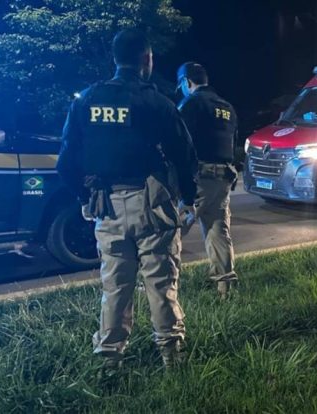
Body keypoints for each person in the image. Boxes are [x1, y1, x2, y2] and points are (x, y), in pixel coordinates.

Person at [57, 29, 198, 375]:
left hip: (107, 207)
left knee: (115, 286)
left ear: (114, 60)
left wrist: (84, 195)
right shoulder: (157, 102)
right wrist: (189, 200)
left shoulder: (86, 100)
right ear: (147, 60)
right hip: (152, 204)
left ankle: (109, 362)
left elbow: (64, 162)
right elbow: (186, 156)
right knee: (162, 285)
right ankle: (172, 360)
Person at [176, 62, 239, 298]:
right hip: (223, 177)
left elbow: (180, 143)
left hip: (198, 177)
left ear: (186, 82)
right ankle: (225, 287)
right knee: (218, 229)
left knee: (172, 229)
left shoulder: (190, 104)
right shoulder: (227, 107)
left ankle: (161, 285)